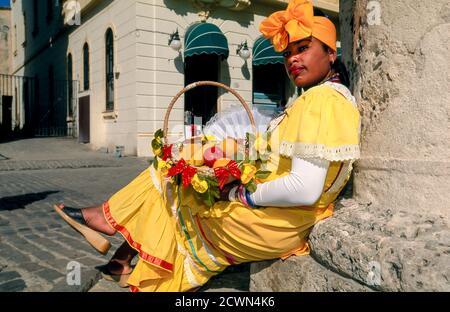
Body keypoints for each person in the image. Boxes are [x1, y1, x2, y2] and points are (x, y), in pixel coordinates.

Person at [54, 0, 360, 292]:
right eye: (288, 53)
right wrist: (219, 151)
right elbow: (269, 154)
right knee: (184, 166)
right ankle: (118, 248)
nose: (293, 59)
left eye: (303, 49)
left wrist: (242, 194)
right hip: (283, 219)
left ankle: (112, 228)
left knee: (178, 182)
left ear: (331, 53)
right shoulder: (317, 99)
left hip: (274, 221)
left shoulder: (322, 101)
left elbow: (304, 188)